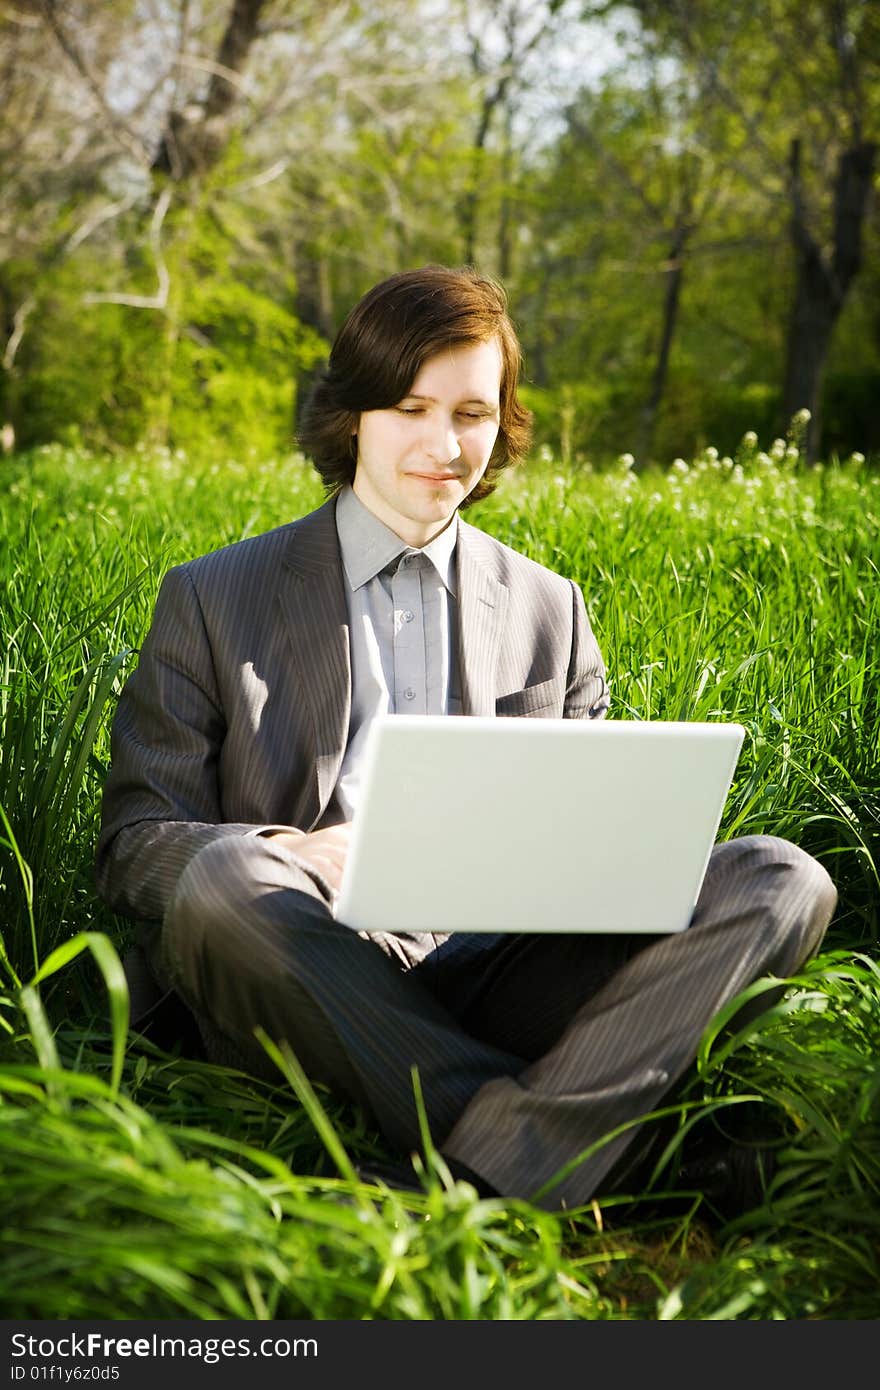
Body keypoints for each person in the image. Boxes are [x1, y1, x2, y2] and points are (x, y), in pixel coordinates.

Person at [96, 264, 837, 1212]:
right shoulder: (212, 596)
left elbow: (593, 835)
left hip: (499, 962)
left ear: (502, 425)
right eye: (412, 406)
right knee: (223, 880)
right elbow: (132, 846)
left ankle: (473, 1165)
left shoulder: (549, 609)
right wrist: (300, 854)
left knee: (783, 877)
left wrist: (614, 858)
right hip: (305, 964)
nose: (445, 445)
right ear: (355, 413)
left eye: (473, 414)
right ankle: (595, 1148)